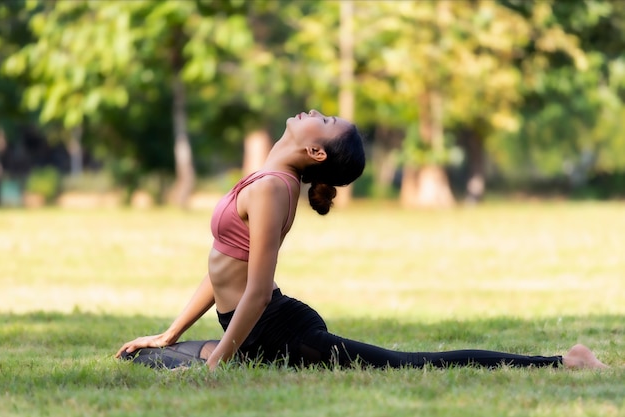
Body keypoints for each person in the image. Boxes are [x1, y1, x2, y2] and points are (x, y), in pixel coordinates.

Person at [116, 110, 607, 371]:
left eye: (326, 122)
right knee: (148, 360)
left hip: (281, 332)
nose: (316, 111)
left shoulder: (271, 189)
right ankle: (199, 352)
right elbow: (222, 267)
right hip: (247, 328)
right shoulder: (268, 178)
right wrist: (171, 334)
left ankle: (564, 361)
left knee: (409, 364)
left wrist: (217, 363)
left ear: (314, 150)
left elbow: (258, 291)